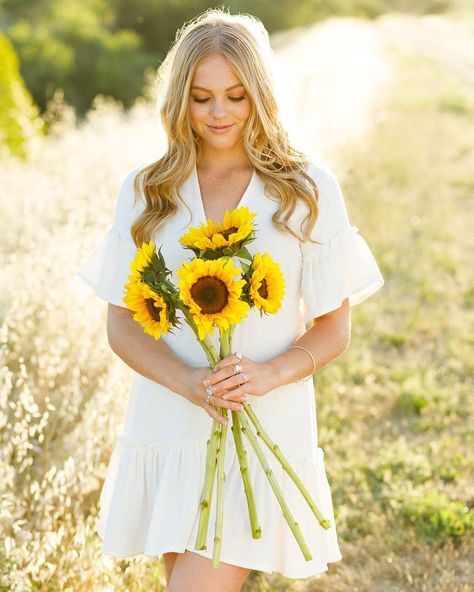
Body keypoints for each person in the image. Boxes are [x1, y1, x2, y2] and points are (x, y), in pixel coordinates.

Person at [76, 8, 384, 592]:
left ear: (260, 96)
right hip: (169, 421)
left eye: (237, 96)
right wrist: (187, 382)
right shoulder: (148, 192)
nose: (219, 113)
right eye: (202, 97)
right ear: (179, 101)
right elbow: (121, 325)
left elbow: (333, 328)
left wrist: (269, 373)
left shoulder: (305, 190)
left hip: (264, 420)